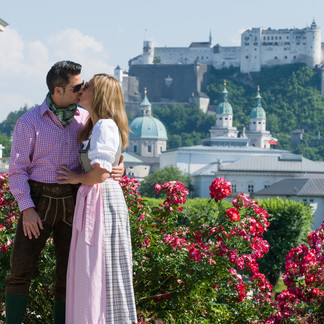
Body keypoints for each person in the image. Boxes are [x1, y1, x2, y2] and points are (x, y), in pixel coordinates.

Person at [6, 61, 125, 324]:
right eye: (76, 86)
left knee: (68, 275)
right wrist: (27, 209)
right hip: (37, 200)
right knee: (20, 270)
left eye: (84, 85)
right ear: (58, 90)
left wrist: (120, 166)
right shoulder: (29, 122)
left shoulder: (87, 119)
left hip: (75, 200)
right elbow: (17, 170)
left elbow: (107, 151)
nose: (82, 89)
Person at [57, 74, 137, 324]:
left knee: (96, 268)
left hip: (100, 200)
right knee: (96, 268)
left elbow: (102, 172)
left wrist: (76, 178)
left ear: (99, 94)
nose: (82, 89)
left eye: (88, 86)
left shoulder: (103, 125)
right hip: (97, 197)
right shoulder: (95, 124)